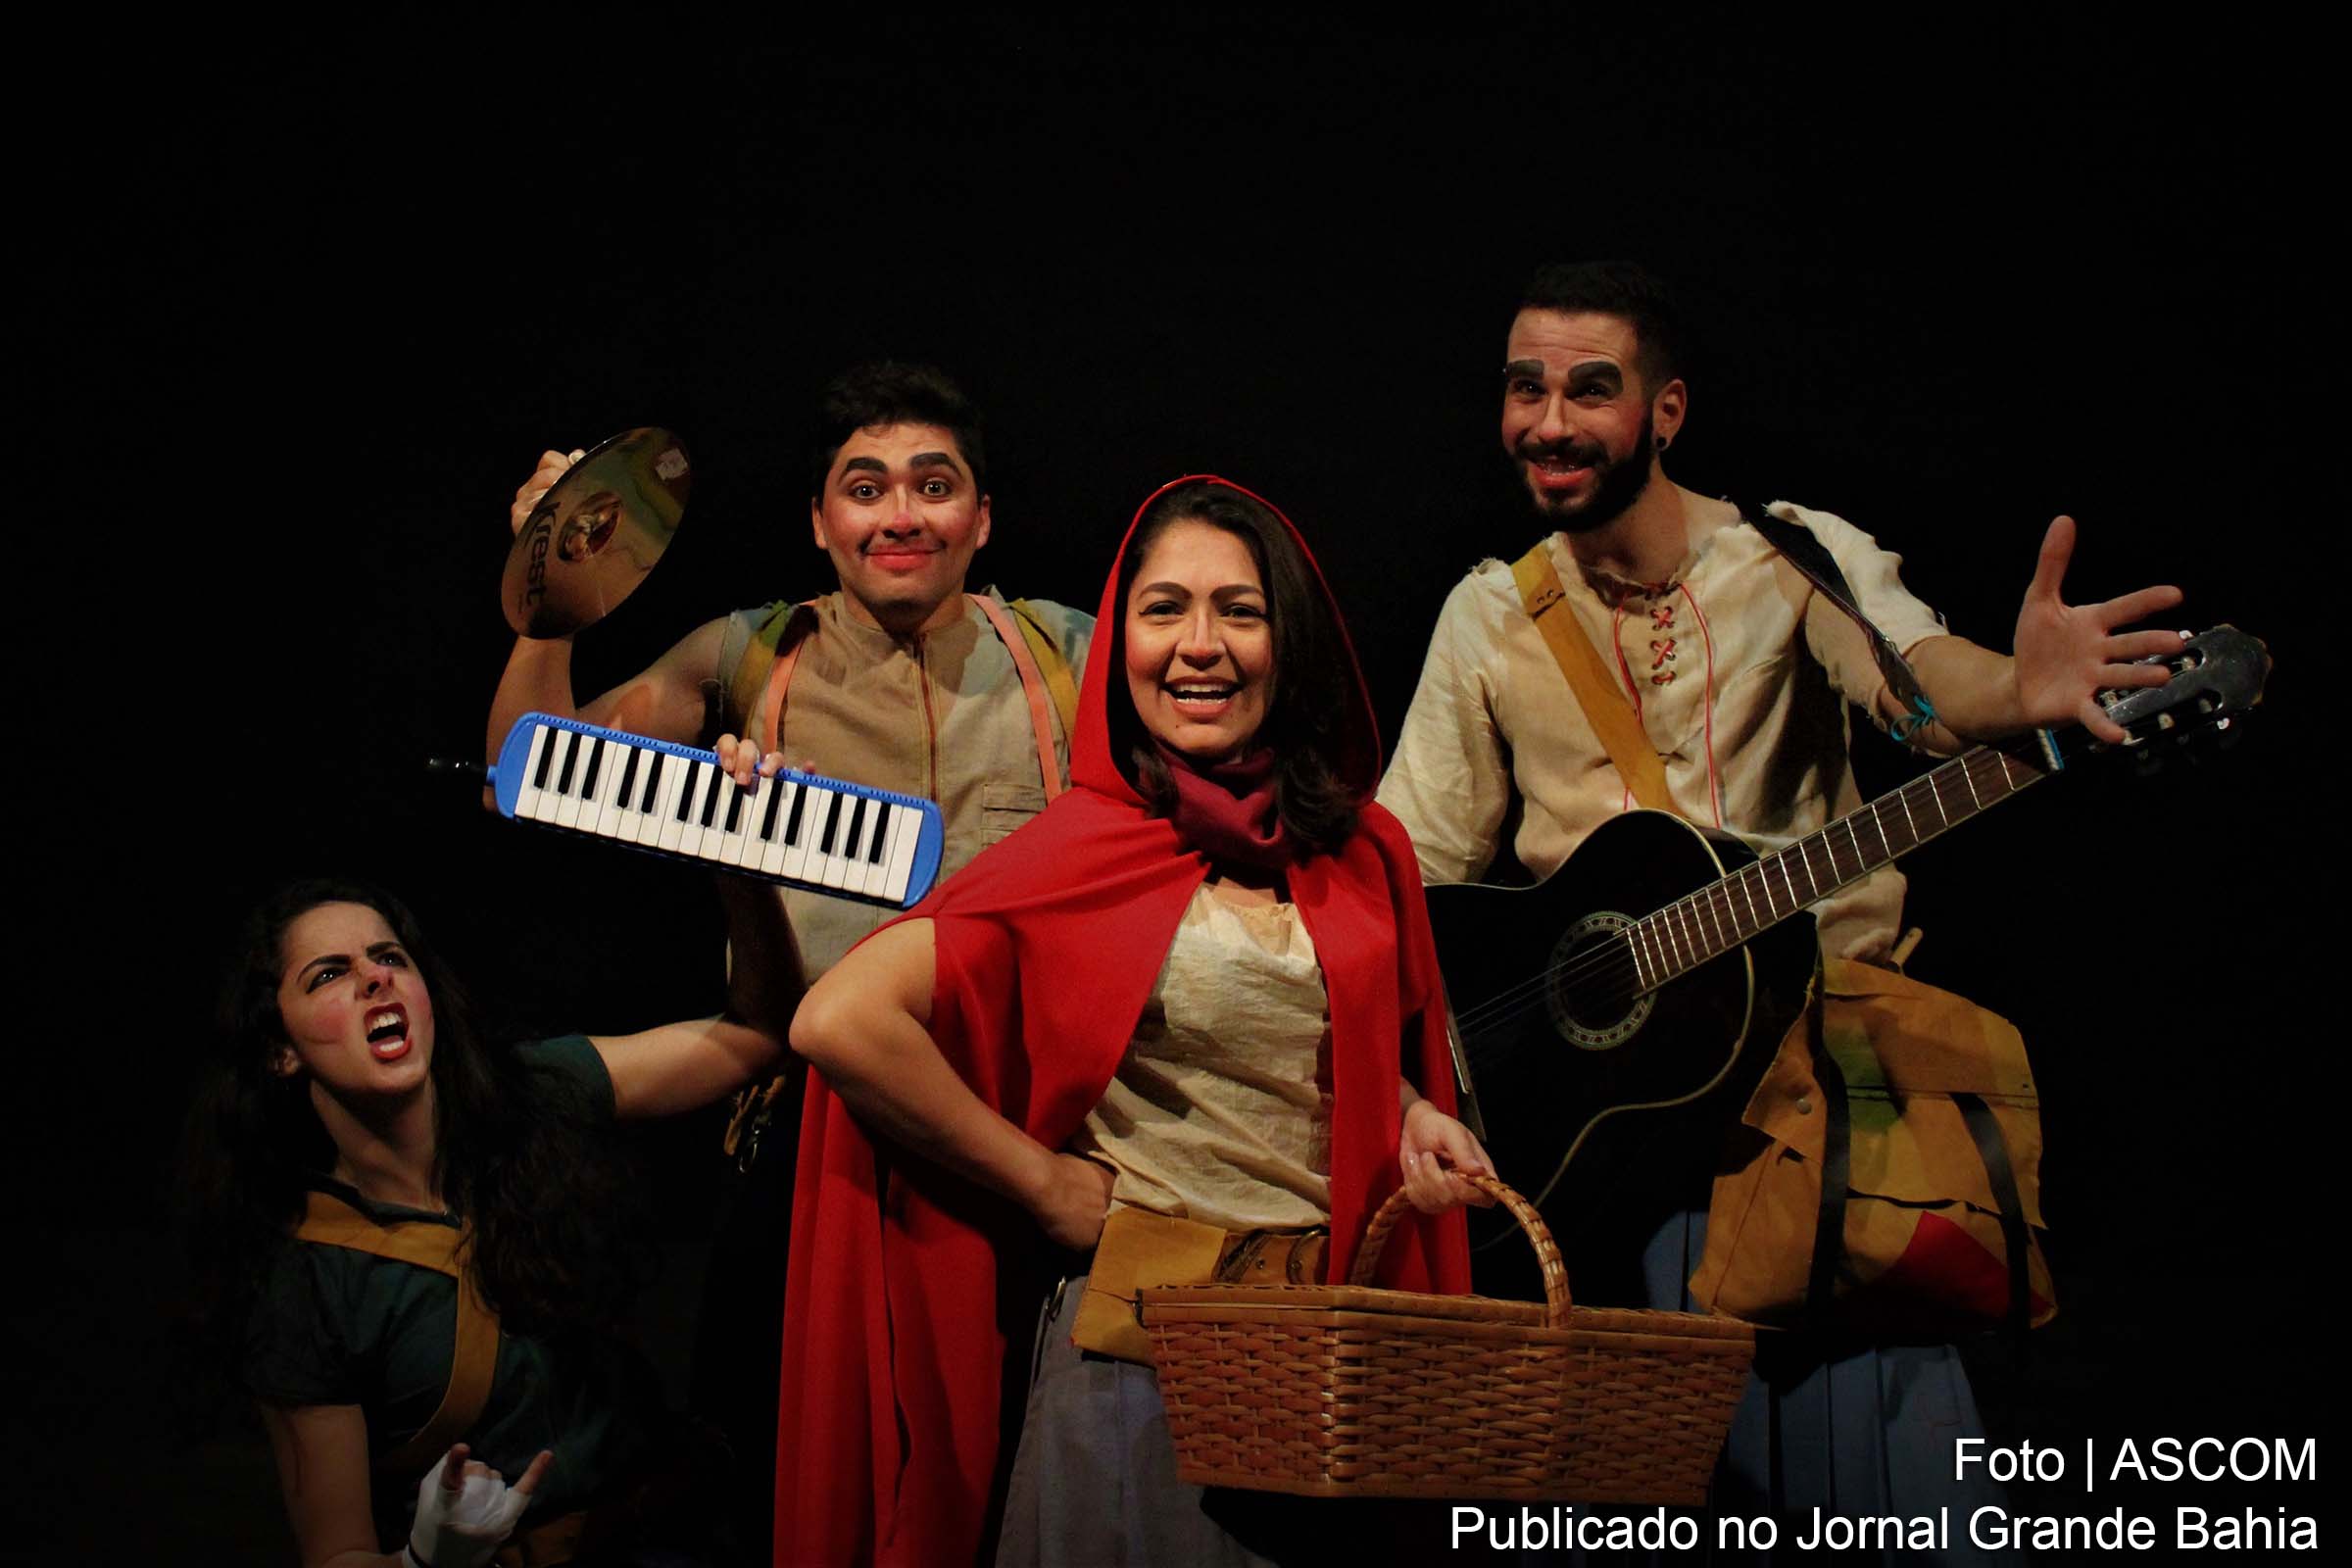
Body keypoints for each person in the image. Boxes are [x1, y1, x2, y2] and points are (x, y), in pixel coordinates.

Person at [1374, 261, 2185, 1551]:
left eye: (1592, 388)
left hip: (1806, 1146)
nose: (1550, 420)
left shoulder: (1790, 559)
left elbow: (1919, 678)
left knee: (1879, 1498)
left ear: (1668, 410)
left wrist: (2018, 693)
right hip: (1596, 1161)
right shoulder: (1489, 614)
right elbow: (1404, 876)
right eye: (1526, 388)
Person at [780, 477, 1484, 1566]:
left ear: (1288, 638)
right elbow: (839, 1018)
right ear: (1122, 642)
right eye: (1164, 610)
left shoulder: (1361, 847)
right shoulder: (1083, 853)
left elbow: (1321, 1040)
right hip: (1146, 1362)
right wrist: (1045, 1184)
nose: (1200, 645)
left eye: (1238, 611)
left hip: (1331, 1356)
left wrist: (1404, 1112)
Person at [484, 362, 1093, 1555]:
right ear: (822, 523)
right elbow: (530, 769)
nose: (899, 513)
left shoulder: (1067, 652)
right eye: (864, 488)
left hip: (1038, 1127)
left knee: (1026, 1481)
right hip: (826, 1138)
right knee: (786, 1483)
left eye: (933, 485)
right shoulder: (750, 655)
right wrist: (549, 581)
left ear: (982, 518)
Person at [186, 871, 804, 1568]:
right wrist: (424, 1560)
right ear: (281, 1049)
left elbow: (762, 1032)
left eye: (389, 958)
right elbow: (340, 1555)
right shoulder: (301, 1282)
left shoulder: (534, 1095)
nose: (373, 979)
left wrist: (741, 865)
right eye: (329, 974)